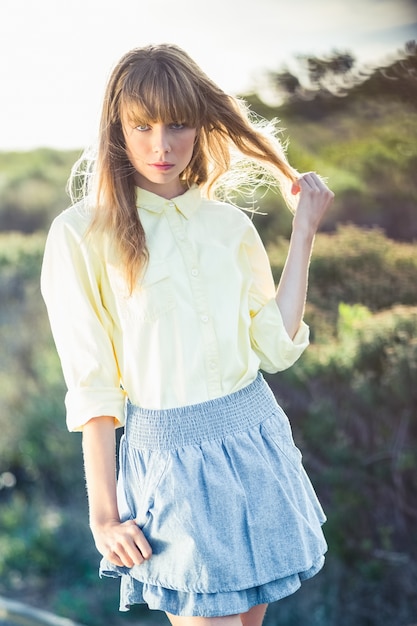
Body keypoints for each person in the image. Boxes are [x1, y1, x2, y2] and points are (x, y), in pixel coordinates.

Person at [41, 43, 334, 625]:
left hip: (254, 439)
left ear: (201, 125)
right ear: (115, 131)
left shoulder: (229, 224)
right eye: (142, 125)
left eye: (179, 124)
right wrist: (104, 515)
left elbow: (275, 348)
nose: (162, 145)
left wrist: (304, 233)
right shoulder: (80, 235)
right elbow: (94, 387)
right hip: (169, 461)